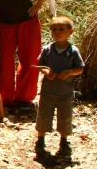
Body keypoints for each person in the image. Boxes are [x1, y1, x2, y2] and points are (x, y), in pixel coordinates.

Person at [34, 15, 84, 160]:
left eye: (61, 29)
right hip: (48, 91)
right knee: (44, 116)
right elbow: (40, 65)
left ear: (70, 32)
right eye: (54, 29)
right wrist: (47, 71)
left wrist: (69, 72)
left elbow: (80, 68)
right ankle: (40, 141)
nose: (57, 32)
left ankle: (64, 142)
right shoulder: (48, 49)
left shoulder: (73, 51)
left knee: (65, 117)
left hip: (65, 92)